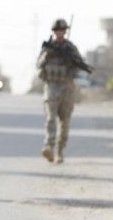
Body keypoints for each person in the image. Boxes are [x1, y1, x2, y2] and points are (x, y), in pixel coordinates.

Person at [37, 19, 87, 163]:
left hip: (67, 87)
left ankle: (60, 150)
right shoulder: (48, 47)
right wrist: (47, 56)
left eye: (62, 30)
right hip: (51, 87)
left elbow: (79, 66)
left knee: (64, 122)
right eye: (57, 30)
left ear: (65, 32)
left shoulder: (70, 48)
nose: (60, 33)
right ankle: (49, 147)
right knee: (50, 119)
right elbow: (39, 65)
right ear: (54, 32)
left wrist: (70, 63)